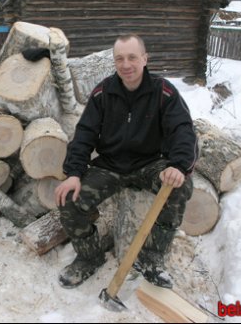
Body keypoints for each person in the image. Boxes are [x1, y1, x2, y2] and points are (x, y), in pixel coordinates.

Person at [54, 34, 198, 289]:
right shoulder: (103, 93)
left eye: (132, 57)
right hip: (110, 166)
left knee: (180, 187)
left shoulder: (163, 91)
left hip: (151, 163)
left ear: (144, 59)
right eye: (119, 58)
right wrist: (74, 173)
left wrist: (178, 165)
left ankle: (152, 257)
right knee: (69, 199)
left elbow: (183, 130)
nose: (126, 64)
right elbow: (85, 134)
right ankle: (90, 256)